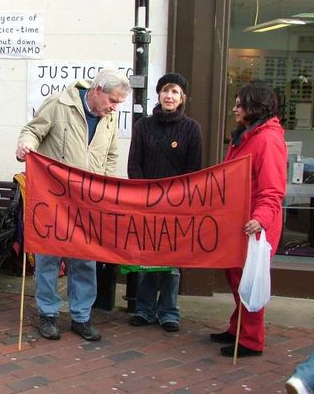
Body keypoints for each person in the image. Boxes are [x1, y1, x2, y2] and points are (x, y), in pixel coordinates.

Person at [16, 69, 131, 341]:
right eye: (113, 101)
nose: (115, 108)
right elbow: (33, 131)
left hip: (88, 202)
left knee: (85, 259)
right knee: (49, 258)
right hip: (54, 200)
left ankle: (81, 316)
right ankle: (48, 314)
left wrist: (106, 189)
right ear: (97, 90)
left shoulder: (109, 118)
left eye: (119, 103)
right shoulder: (60, 104)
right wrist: (25, 145)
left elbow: (111, 155)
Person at [210, 80, 286, 357]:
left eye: (239, 105)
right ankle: (238, 328)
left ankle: (251, 340)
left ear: (254, 107)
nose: (235, 109)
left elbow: (273, 188)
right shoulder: (247, 135)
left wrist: (261, 219)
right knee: (236, 277)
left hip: (254, 224)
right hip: (239, 221)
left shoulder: (267, 139)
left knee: (250, 281)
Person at [127, 73, 202, 332]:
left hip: (176, 206)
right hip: (147, 204)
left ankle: (169, 311)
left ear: (182, 98)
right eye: (165, 91)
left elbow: (193, 170)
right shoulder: (143, 126)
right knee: (147, 260)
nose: (169, 96)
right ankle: (144, 309)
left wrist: (176, 199)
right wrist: (145, 196)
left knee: (172, 263)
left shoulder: (192, 129)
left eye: (175, 92)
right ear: (158, 95)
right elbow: (134, 165)